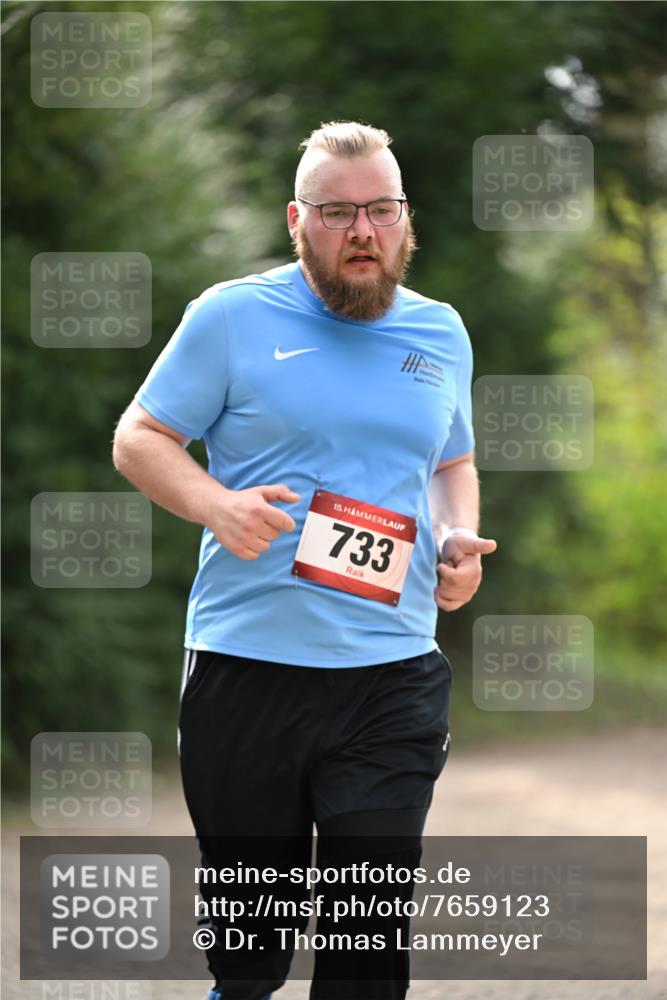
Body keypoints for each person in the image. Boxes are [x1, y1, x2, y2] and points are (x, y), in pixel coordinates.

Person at [112, 120, 496, 1000]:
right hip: (247, 671)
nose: (361, 231)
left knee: (368, 956)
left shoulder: (440, 333)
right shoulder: (232, 317)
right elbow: (141, 436)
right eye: (336, 212)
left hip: (391, 676)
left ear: (405, 219)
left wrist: (453, 535)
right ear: (296, 220)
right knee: (249, 964)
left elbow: (450, 461)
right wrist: (216, 504)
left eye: (380, 210)